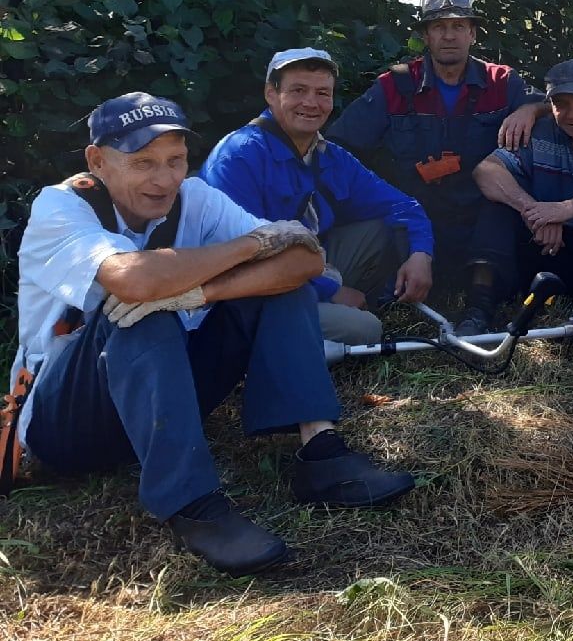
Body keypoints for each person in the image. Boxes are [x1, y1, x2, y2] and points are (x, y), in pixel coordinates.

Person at [6, 93, 413, 575]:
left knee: (280, 287)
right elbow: (134, 281)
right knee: (140, 310)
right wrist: (250, 245)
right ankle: (193, 504)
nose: (164, 179)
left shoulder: (194, 197)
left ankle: (320, 451)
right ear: (98, 161)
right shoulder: (62, 207)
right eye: (143, 163)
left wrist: (200, 294)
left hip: (161, 395)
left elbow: (304, 259)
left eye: (175, 160)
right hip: (67, 423)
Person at [201, 49, 435, 345]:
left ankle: (327, 314)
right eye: (298, 91)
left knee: (382, 228)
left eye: (322, 93)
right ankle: (266, 345)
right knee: (365, 330)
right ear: (271, 94)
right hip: (246, 292)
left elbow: (402, 205)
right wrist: (330, 291)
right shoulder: (239, 156)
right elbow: (241, 257)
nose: (311, 103)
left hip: (309, 268)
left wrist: (420, 255)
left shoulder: (329, 156)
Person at [327, 0, 539, 291]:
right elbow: (339, 145)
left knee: (502, 206)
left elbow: (555, 107)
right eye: (439, 27)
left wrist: (531, 109)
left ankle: (482, 300)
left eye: (458, 27)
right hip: (418, 213)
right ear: (426, 36)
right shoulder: (394, 86)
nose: (449, 36)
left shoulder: (501, 81)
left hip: (480, 215)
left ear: (472, 34)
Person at [463, 59, 573, 333]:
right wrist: (533, 211)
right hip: (546, 245)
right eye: (561, 104)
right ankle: (478, 307)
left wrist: (567, 209)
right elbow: (486, 171)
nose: (572, 113)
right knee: (494, 209)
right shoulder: (539, 132)